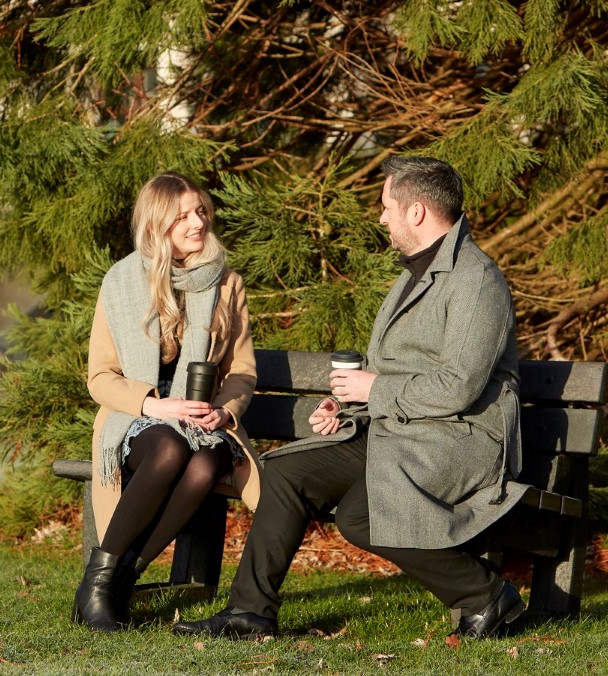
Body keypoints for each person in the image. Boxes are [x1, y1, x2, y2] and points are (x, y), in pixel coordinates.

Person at [173, 156, 528, 641]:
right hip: (401, 431)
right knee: (284, 473)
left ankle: (485, 595)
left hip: (461, 440)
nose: (381, 216)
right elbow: (403, 374)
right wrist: (350, 406)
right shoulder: (415, 272)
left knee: (362, 516)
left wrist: (374, 389)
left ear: (417, 212)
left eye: (387, 206)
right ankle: (249, 613)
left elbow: (458, 387)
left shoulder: (475, 281)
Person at [73, 171, 260, 632]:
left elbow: (242, 371)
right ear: (157, 225)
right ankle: (99, 584)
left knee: (206, 461)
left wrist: (225, 409)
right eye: (182, 216)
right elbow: (100, 377)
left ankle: (116, 583)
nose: (198, 222)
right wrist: (158, 406)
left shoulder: (227, 283)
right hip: (140, 417)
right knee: (170, 448)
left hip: (204, 418)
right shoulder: (121, 282)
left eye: (200, 211)